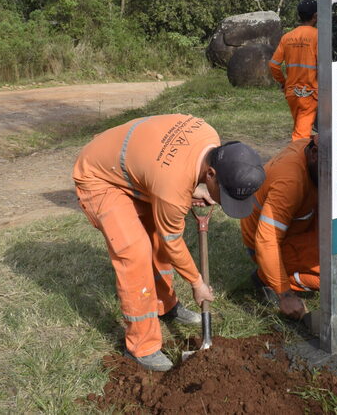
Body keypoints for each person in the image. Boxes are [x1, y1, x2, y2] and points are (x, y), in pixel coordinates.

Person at [72, 115, 265, 372]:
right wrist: (197, 283)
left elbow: (173, 169)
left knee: (157, 240)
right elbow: (172, 239)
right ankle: (141, 346)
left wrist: (192, 187)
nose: (221, 202)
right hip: (100, 178)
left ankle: (165, 304)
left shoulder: (209, 138)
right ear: (211, 174)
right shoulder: (171, 187)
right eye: (225, 195)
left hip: (139, 169)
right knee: (135, 251)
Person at [240, 135, 337, 318]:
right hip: (270, 246)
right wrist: (285, 294)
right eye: (335, 167)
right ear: (314, 153)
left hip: (301, 225)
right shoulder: (290, 181)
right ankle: (266, 277)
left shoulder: (314, 152)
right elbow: (266, 241)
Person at [269, 0, 318, 141]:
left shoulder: (287, 37)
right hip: (309, 93)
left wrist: (283, 82)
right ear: (315, 16)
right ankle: (296, 161)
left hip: (292, 92)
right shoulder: (317, 36)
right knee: (300, 136)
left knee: (300, 127)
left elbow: (273, 65)